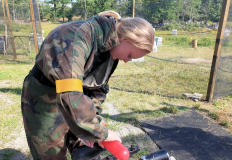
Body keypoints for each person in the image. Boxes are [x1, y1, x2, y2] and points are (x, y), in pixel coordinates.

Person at [21, 10, 155, 160]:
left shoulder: (111, 49)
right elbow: (70, 94)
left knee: (84, 152)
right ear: (124, 38)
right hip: (44, 98)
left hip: (76, 102)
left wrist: (93, 122)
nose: (126, 61)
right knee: (51, 154)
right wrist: (100, 132)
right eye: (130, 55)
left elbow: (98, 88)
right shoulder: (75, 37)